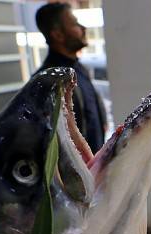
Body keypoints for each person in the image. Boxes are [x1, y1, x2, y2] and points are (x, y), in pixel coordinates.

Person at [35, 2, 107, 154]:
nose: (83, 28)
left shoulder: (78, 68)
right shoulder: (47, 81)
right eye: (75, 24)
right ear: (58, 35)